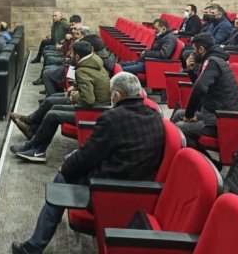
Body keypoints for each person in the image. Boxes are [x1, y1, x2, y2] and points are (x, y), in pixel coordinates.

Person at [11, 72, 164, 254]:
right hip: (143, 191)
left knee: (62, 177)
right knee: (72, 162)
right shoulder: (156, 116)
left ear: (116, 95)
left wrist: (66, 167)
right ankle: (51, 220)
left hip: (109, 189)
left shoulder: (112, 119)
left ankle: (33, 247)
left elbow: (86, 158)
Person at [10, 40, 110, 163]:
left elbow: (88, 99)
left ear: (77, 56)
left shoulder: (83, 70)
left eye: (71, 53)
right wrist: (76, 88)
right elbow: (92, 85)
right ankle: (32, 141)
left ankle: (37, 150)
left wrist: (74, 96)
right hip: (96, 109)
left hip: (92, 113)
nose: (69, 55)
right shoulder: (94, 62)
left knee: (52, 115)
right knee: (53, 107)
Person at [171, 33, 238, 166]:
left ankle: (210, 165)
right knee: (178, 115)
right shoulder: (213, 59)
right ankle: (174, 155)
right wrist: (190, 70)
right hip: (213, 112)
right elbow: (200, 84)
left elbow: (199, 89)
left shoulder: (213, 62)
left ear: (201, 49)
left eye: (194, 50)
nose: (193, 54)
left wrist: (189, 115)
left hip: (222, 120)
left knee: (180, 128)